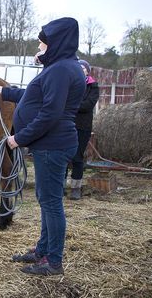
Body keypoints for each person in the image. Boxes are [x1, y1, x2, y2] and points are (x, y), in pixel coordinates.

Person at [0, 17, 86, 276]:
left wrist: (19, 139)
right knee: (46, 199)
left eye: (42, 45)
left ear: (55, 44)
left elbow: (50, 114)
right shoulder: (60, 68)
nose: (38, 50)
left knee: (51, 202)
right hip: (51, 144)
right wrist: (3, 91)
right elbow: (33, 95)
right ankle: (43, 250)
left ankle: (53, 261)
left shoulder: (61, 70)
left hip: (52, 145)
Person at [67, 59, 100, 200]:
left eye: (83, 68)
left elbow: (87, 105)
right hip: (67, 124)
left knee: (77, 157)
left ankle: (76, 188)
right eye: (78, 68)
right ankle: (60, 186)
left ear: (87, 71)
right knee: (63, 156)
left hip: (82, 127)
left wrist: (70, 105)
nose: (80, 70)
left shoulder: (93, 87)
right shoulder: (69, 84)